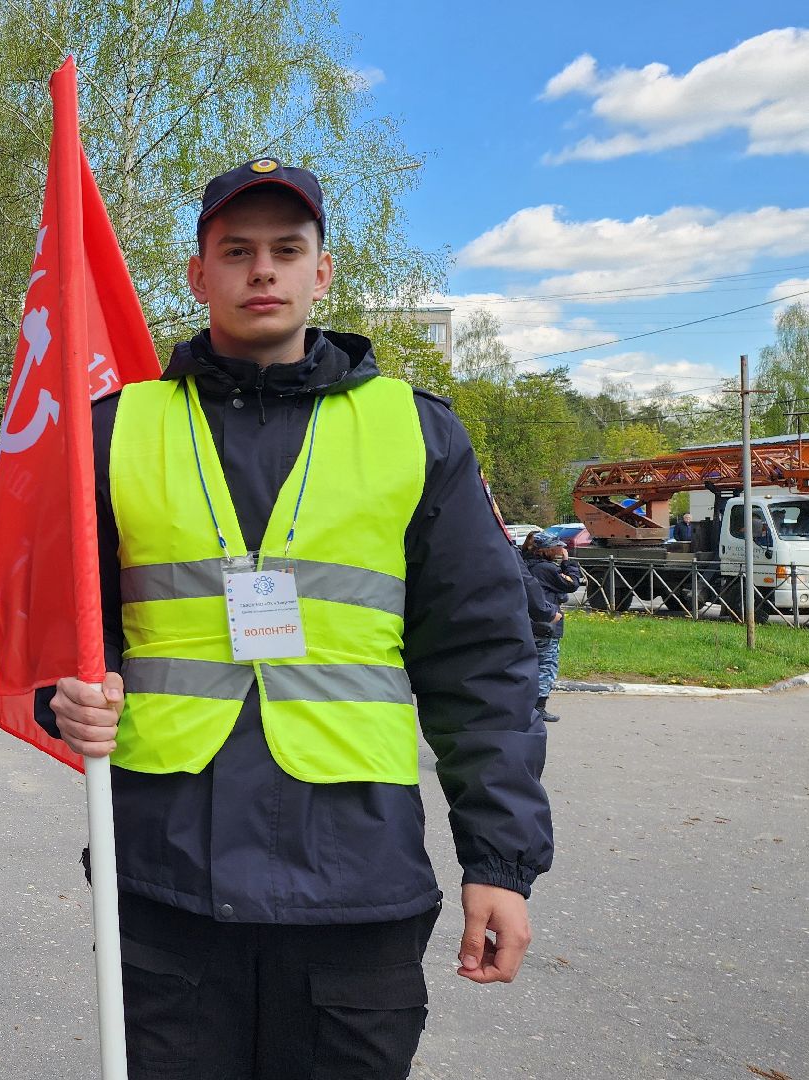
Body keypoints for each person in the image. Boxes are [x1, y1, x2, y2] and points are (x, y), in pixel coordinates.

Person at [41, 159, 553, 1078]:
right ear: (198, 276)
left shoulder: (416, 431)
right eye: (236, 252)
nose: (262, 271)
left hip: (355, 888)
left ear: (322, 273)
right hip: (167, 884)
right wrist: (63, 697)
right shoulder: (114, 430)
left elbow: (482, 664)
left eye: (287, 250)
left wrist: (500, 863)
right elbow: (58, 635)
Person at [523, 534, 582, 723]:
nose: (560, 550)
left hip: (528, 622)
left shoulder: (525, 564)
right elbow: (572, 584)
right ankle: (538, 708)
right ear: (548, 549)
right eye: (557, 547)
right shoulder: (546, 568)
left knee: (528, 665)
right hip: (547, 623)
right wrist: (568, 561)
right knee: (546, 665)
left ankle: (524, 706)